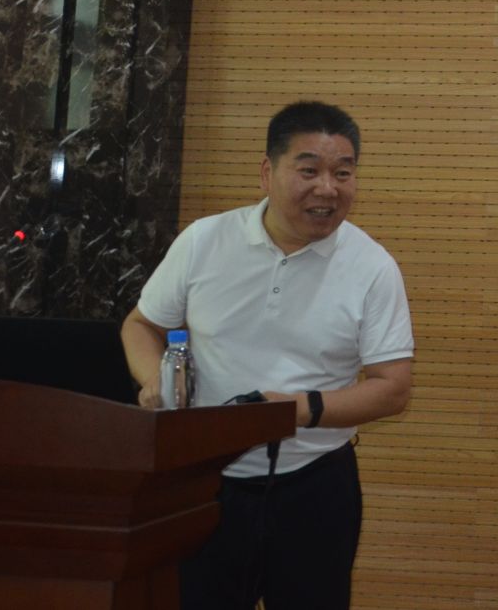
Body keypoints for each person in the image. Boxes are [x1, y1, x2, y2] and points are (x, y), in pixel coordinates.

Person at [121, 100, 414, 610]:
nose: (328, 188)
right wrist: (155, 381)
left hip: (315, 486)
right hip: (204, 483)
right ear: (267, 172)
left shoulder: (372, 267)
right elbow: (142, 325)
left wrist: (299, 409)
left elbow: (393, 388)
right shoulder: (205, 241)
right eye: (309, 170)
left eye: (343, 173)